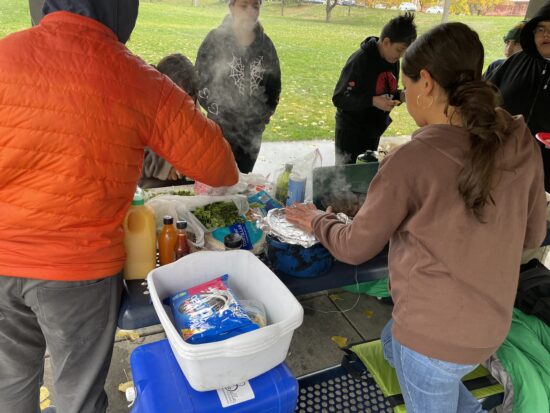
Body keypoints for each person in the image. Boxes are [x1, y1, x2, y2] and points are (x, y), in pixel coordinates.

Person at [287, 22, 547, 413]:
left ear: (425, 82)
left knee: (425, 371)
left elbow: (355, 247)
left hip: (435, 339)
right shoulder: (519, 137)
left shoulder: (413, 160)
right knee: (395, 347)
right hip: (491, 324)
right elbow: (534, 233)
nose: (405, 98)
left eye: (406, 89)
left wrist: (316, 221)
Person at [0, 1, 238, 413]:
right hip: (79, 273)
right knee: (78, 396)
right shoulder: (138, 79)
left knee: (11, 385)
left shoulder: (6, 54)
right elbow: (222, 168)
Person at [195, 0, 281, 173]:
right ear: (231, 7)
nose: (250, 11)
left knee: (244, 183)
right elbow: (199, 81)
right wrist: (220, 115)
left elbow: (274, 86)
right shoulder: (214, 40)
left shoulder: (266, 46)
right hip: (220, 130)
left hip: (252, 134)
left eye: (255, 6)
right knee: (217, 181)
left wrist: (262, 118)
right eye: (244, 6)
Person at [332, 12, 417, 165]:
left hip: (373, 131)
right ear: (386, 42)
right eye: (399, 50)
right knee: (345, 180)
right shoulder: (360, 60)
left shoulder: (392, 60)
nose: (401, 56)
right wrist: (372, 101)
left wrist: (400, 96)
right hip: (351, 133)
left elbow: (386, 92)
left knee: (366, 174)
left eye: (405, 52)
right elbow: (339, 98)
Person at [487, 1, 550, 190]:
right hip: (497, 163)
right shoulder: (517, 61)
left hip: (543, 178)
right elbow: (485, 96)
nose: (546, 34)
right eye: (541, 29)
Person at [140, 53, 199, 189]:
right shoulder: (142, 107)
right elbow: (130, 156)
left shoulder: (191, 96)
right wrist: (165, 167)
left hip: (183, 186)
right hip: (150, 190)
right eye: (179, 102)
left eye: (190, 101)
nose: (185, 108)